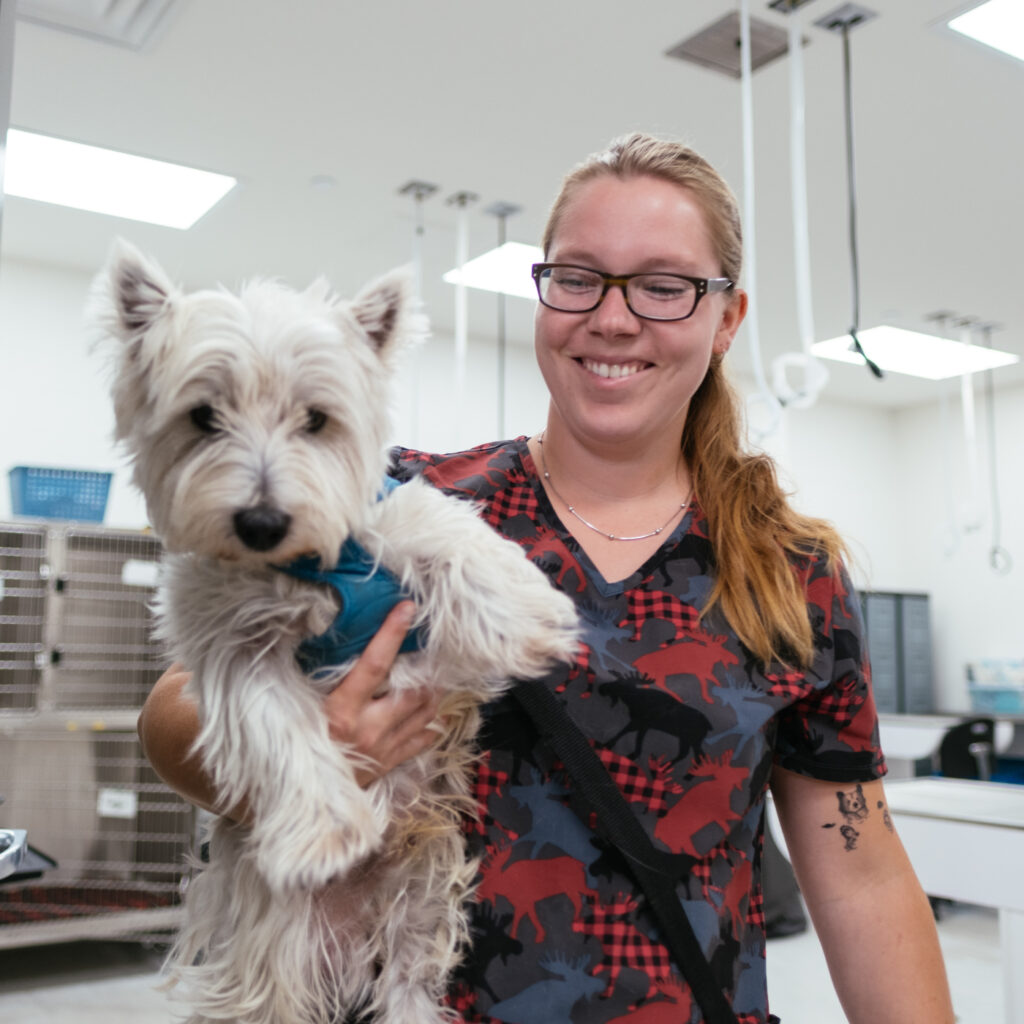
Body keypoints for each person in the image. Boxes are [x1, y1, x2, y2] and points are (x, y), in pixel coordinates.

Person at [139, 133, 955, 1024]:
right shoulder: (399, 505)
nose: (613, 317)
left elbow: (860, 873)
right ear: (543, 295)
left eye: (664, 285)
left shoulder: (791, 575)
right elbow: (179, 708)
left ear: (726, 320)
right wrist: (313, 757)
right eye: (578, 278)